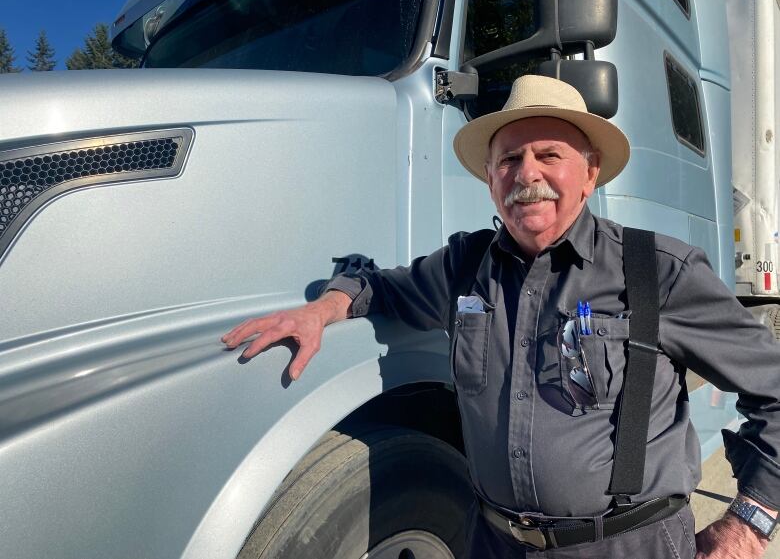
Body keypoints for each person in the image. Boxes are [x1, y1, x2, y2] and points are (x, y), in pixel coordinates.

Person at [221, 75, 779, 558]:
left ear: (589, 175)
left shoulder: (658, 270)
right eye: (509, 159)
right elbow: (381, 289)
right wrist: (323, 308)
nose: (526, 173)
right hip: (491, 542)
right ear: (490, 179)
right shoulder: (465, 265)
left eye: (549, 156)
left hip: (630, 545)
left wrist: (750, 525)